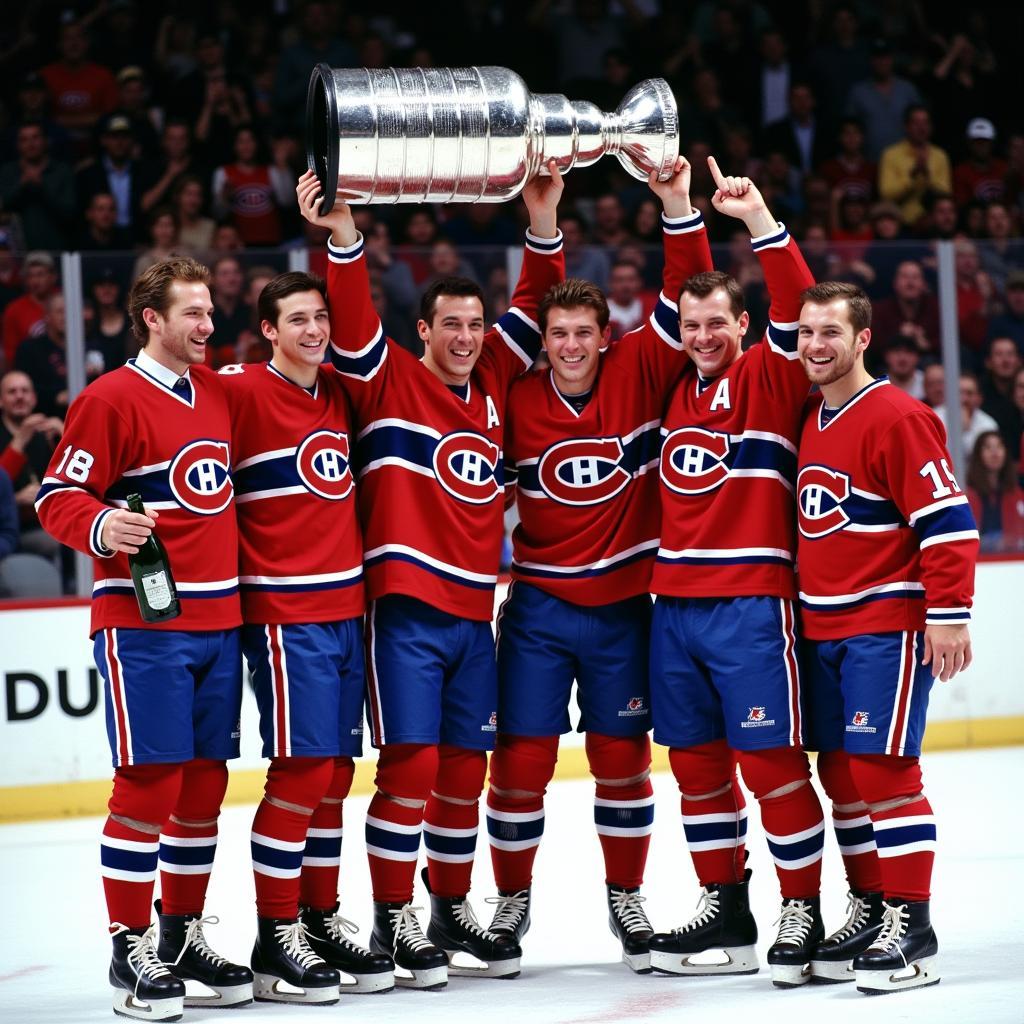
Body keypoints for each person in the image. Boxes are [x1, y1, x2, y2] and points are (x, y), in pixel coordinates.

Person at [296, 163, 563, 988]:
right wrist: (343, 234)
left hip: (474, 611)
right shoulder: (385, 380)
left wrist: (543, 220)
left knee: (460, 772)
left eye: (475, 325)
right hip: (405, 609)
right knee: (409, 767)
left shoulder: (490, 385)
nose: (466, 336)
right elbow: (349, 311)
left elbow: (534, 305)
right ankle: (393, 913)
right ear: (423, 331)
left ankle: (450, 908)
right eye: (450, 324)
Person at [488, 158, 698, 972]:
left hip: (623, 610)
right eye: (558, 335)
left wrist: (676, 202)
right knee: (520, 767)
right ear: (542, 343)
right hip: (538, 610)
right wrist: (543, 225)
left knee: (622, 764)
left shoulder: (641, 369)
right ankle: (509, 905)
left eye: (584, 333)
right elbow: (512, 308)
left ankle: (627, 897)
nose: (570, 346)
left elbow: (685, 289)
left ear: (606, 337)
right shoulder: (513, 394)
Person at [34, 257, 253, 1020]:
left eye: (210, 312)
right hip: (145, 625)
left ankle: (181, 936)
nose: (207, 325)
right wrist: (100, 523)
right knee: (150, 785)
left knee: (202, 791)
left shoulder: (219, 391)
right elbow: (59, 494)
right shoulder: (109, 399)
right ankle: (128, 947)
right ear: (151, 318)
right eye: (192, 313)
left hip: (221, 622)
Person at [645, 158, 826, 987]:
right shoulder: (672, 389)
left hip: (751, 608)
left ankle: (802, 909)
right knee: (698, 770)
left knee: (772, 765)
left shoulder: (774, 374)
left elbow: (801, 301)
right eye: (692, 325)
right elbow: (680, 280)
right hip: (674, 609)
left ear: (746, 325)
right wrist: (677, 210)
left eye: (717, 323)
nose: (703, 336)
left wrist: (755, 217)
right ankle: (727, 905)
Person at [795, 280, 978, 992]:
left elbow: (948, 521)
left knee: (884, 774)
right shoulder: (816, 417)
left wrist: (950, 610)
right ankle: (872, 908)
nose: (816, 346)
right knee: (842, 773)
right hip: (824, 626)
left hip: (884, 625)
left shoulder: (899, 416)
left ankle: (913, 925)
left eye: (831, 334)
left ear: (863, 339)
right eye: (807, 334)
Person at [218, 272, 394, 1001]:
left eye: (320, 317)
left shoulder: (340, 394)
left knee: (335, 775)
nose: (315, 330)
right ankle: (275, 934)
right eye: (297, 320)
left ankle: (318, 917)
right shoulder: (238, 390)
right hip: (287, 615)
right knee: (303, 770)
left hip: (347, 607)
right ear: (268, 329)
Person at [966, 430, 1024, 552]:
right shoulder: (968, 496)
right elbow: (966, 539)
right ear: (978, 454)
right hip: (981, 563)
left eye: (999, 446)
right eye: (988, 447)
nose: (995, 452)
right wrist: (994, 543)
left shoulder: (1016, 493)